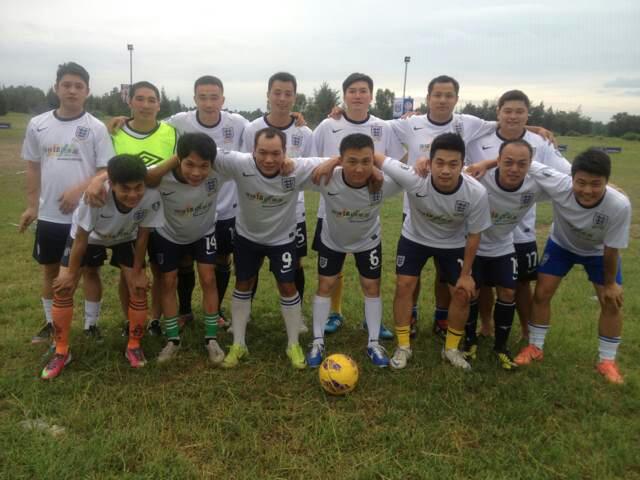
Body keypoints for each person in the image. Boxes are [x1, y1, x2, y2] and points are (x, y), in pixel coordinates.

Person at [390, 76, 554, 340]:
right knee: (411, 275)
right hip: (417, 209)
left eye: (448, 95)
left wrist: (533, 128)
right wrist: (341, 111)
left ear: (456, 99)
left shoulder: (468, 122)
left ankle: (442, 317)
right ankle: (411, 316)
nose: (442, 100)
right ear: (428, 98)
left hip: (454, 212)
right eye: (437, 95)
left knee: (445, 274)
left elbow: (505, 122)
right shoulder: (410, 123)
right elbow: (373, 125)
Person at [375, 133, 491, 370]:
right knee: (404, 285)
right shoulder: (414, 177)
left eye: (453, 164)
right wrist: (367, 169)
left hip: (452, 243)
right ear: (429, 162)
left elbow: (474, 235)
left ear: (463, 164)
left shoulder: (476, 192)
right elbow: (375, 156)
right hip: (415, 238)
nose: (446, 170)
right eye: (440, 163)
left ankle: (451, 349)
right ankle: (403, 346)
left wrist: (465, 275)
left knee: (462, 292)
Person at [40, 154, 163, 379]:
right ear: (112, 184)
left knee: (138, 287)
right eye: (125, 189)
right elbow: (81, 238)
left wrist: (138, 272)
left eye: (138, 187)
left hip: (125, 236)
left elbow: (143, 235)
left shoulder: (152, 195)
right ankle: (61, 351)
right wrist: (70, 274)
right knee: (64, 287)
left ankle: (134, 346)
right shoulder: (96, 196)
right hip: (89, 237)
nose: (133, 194)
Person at [513, 149, 631, 384]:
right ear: (571, 178)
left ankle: (607, 361)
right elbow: (523, 161)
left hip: (598, 252)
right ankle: (535, 347)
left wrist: (610, 284)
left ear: (607, 182)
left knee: (610, 301)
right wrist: (483, 165)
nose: (587, 190)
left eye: (596, 184)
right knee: (542, 293)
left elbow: (611, 249)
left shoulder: (619, 205)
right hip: (561, 245)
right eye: (581, 182)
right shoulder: (559, 183)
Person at [19, 62, 114, 345]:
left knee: (90, 271)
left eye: (78, 86)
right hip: (50, 215)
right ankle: (51, 323)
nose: (72, 90)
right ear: (56, 88)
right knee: (50, 270)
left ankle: (91, 325)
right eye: (67, 85)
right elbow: (33, 166)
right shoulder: (38, 124)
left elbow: (105, 169)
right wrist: (32, 206)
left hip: (86, 216)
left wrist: (78, 190)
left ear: (87, 91)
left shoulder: (96, 127)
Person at [466, 90, 571, 343]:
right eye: (508, 111)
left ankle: (526, 331)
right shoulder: (479, 138)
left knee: (522, 283)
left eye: (519, 112)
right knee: (484, 283)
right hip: (486, 225)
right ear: (498, 113)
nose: (513, 116)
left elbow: (567, 175)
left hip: (521, 226)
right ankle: (487, 326)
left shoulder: (541, 142)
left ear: (528, 114)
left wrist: (606, 186)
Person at [214, 127, 323, 369]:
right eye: (262, 152)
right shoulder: (239, 163)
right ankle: (238, 344)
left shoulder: (298, 168)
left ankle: (293, 344)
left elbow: (339, 160)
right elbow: (202, 150)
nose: (269, 159)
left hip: (282, 240)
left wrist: (333, 163)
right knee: (243, 283)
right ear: (253, 150)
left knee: (287, 286)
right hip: (247, 237)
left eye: (276, 153)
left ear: (285, 152)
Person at [312, 72, 404, 338]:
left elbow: (395, 162)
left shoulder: (383, 127)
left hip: (366, 208)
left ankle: (371, 320)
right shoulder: (328, 125)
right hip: (332, 207)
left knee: (371, 272)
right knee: (333, 267)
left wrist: (377, 171)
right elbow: (314, 160)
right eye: (352, 91)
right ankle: (335, 313)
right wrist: (334, 161)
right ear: (344, 96)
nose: (358, 96)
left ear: (371, 96)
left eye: (363, 91)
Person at [88, 81, 177, 337]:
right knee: (127, 272)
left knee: (159, 270)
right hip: (123, 214)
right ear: (130, 102)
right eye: (140, 99)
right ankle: (130, 321)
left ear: (159, 104)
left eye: (151, 100)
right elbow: (106, 169)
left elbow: (179, 159)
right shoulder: (115, 132)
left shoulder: (171, 132)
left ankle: (155, 320)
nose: (145, 105)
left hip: (159, 212)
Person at [306, 133, 402, 368]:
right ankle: (317, 341)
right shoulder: (327, 177)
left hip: (367, 241)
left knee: (371, 286)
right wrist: (330, 162)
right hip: (332, 240)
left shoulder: (385, 182)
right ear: (341, 160)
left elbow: (412, 173)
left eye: (366, 161)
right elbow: (291, 166)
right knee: (325, 285)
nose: (359, 169)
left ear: (374, 160)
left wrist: (379, 166)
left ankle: (374, 343)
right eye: (352, 161)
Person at [163, 75, 249, 327]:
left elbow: (266, 128)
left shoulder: (238, 123)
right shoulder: (180, 121)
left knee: (222, 259)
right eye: (203, 97)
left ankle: (217, 310)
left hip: (226, 207)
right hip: (190, 207)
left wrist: (296, 119)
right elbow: (152, 127)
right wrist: (124, 120)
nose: (209, 103)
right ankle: (185, 310)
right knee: (185, 261)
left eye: (214, 97)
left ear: (223, 99)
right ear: (195, 99)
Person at [460, 139, 551, 369]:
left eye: (522, 164)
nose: (514, 169)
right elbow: (446, 170)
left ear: (530, 165)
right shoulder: (479, 176)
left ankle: (501, 347)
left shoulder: (535, 185)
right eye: (508, 162)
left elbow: (571, 185)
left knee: (509, 292)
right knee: (471, 291)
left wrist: (608, 187)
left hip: (503, 246)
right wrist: (423, 162)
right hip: (473, 245)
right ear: (497, 161)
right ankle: (469, 342)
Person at [145, 133, 228, 365]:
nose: (196, 173)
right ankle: (173, 339)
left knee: (209, 278)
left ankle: (211, 338)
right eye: (189, 164)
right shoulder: (161, 175)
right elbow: (140, 175)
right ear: (178, 160)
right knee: (168, 281)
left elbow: (250, 162)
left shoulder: (220, 171)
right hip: (168, 235)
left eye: (204, 166)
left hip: (203, 232)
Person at [243, 72, 313, 332]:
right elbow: (246, 165)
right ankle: (244, 313)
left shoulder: (304, 132)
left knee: (294, 264)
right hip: (257, 209)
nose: (282, 98)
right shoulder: (252, 128)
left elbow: (310, 170)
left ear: (295, 97)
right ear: (268, 95)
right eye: (277, 93)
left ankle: (296, 316)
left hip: (293, 212)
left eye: (288, 94)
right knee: (251, 265)